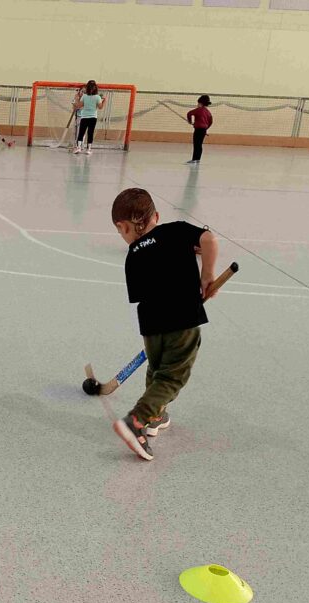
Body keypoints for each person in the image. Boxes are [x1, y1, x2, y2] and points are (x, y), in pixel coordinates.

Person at [109, 188, 222, 461]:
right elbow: (209, 239)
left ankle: (155, 416)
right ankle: (137, 419)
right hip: (183, 321)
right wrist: (206, 274)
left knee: (158, 369)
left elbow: (139, 298)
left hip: (151, 325)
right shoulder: (177, 230)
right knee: (172, 377)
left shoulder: (132, 256)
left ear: (123, 227)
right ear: (157, 217)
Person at [72, 80, 105, 155]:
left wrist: (76, 98)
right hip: (93, 117)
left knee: (81, 132)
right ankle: (89, 149)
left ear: (87, 88)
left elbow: (79, 105)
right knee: (90, 133)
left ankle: (78, 147)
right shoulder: (97, 97)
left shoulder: (84, 96)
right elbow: (100, 107)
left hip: (84, 117)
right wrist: (104, 101)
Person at [186, 95, 213, 165]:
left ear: (200, 103)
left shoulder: (198, 110)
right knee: (199, 144)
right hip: (203, 130)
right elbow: (210, 121)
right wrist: (205, 128)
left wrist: (190, 121)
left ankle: (194, 159)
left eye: (198, 103)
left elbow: (189, 113)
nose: (197, 105)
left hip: (198, 130)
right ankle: (197, 159)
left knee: (196, 144)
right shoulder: (208, 112)